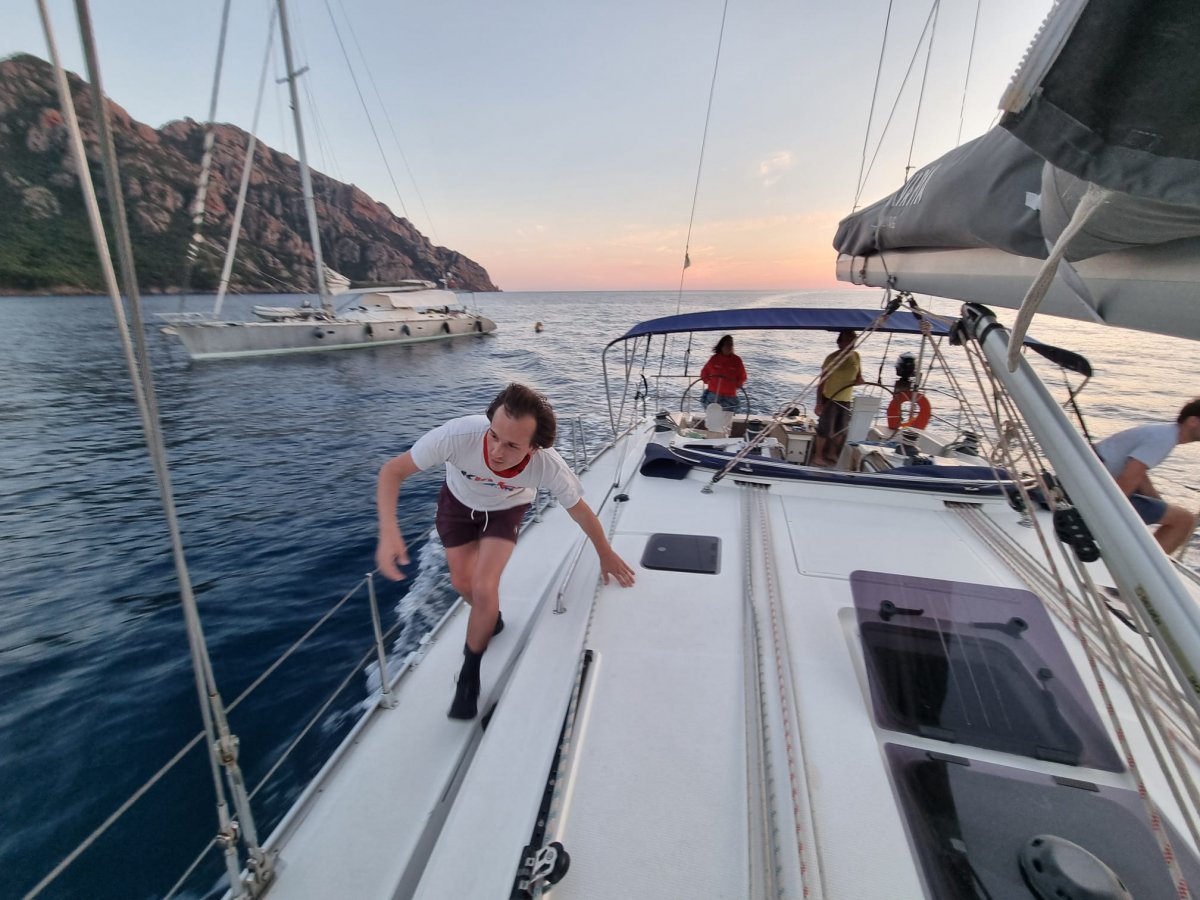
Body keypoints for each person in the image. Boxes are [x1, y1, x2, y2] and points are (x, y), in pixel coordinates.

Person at [375, 383, 636, 720]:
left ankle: (469, 674)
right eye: (494, 435)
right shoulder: (457, 436)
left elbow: (580, 510)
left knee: (484, 588)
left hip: (505, 511)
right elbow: (392, 471)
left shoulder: (547, 466)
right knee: (463, 584)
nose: (497, 450)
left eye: (512, 445)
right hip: (456, 505)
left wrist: (605, 552)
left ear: (534, 448)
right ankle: (491, 619)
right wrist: (389, 530)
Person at [1094, 399, 1200, 554]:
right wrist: (1108, 515)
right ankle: (1140, 569)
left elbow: (1139, 475)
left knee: (1169, 512)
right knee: (1185, 520)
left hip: (1094, 479)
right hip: (1096, 489)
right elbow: (1128, 479)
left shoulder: (1164, 433)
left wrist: (1159, 503)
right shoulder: (1163, 439)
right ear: (1192, 421)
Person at [812, 329, 864, 467]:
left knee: (841, 429)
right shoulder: (831, 358)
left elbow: (859, 377)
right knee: (825, 429)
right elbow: (821, 382)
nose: (851, 343)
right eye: (847, 340)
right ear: (839, 342)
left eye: (853, 340)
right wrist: (819, 404)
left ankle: (831, 453)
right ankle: (818, 456)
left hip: (846, 400)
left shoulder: (856, 356)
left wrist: (859, 381)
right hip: (830, 398)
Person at [699, 334, 747, 413]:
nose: (729, 346)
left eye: (731, 344)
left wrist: (737, 384)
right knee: (712, 416)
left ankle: (726, 425)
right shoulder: (714, 359)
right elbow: (704, 373)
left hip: (730, 396)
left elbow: (742, 376)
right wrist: (707, 381)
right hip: (713, 394)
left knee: (728, 418)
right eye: (727, 344)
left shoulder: (737, 360)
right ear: (721, 346)